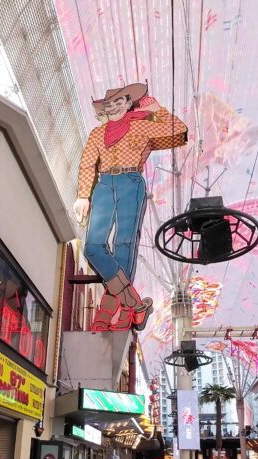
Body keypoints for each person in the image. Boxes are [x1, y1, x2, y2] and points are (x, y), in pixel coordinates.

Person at [73, 83, 188, 330]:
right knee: (93, 246)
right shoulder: (97, 133)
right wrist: (83, 195)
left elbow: (179, 131)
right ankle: (135, 305)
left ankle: (113, 314)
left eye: (118, 102)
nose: (113, 106)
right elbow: (86, 164)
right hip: (103, 184)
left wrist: (158, 110)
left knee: (124, 244)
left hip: (131, 181)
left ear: (128, 104)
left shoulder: (142, 125)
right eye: (109, 103)